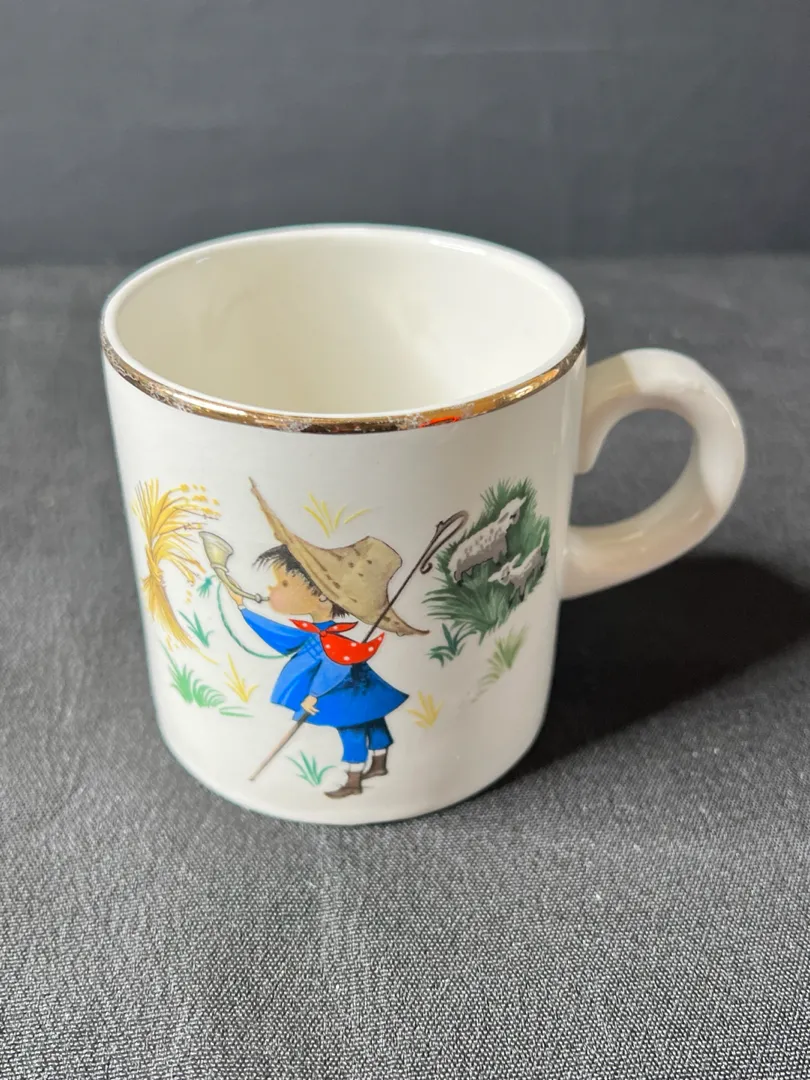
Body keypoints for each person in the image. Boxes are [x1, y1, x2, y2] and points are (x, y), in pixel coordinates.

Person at [229, 502, 427, 798]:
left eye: (284, 583)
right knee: (373, 718)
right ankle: (380, 763)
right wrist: (243, 609)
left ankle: (353, 780)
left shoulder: (333, 642)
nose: (272, 590)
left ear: (322, 597)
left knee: (352, 726)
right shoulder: (317, 635)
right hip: (360, 687)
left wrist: (313, 695)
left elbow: (334, 668)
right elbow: (282, 636)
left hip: (343, 691)